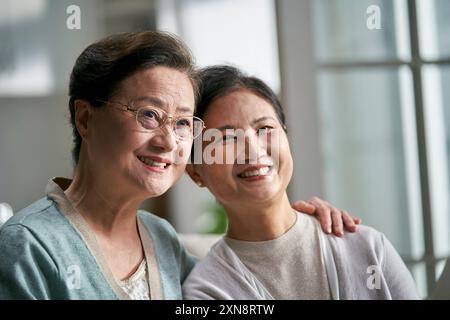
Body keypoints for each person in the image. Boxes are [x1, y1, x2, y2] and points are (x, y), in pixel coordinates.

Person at [0, 31, 357, 300]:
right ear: (85, 118)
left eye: (183, 122)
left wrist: (297, 231)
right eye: (150, 115)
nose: (168, 141)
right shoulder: (27, 247)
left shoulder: (161, 239)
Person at [182, 65, 420, 300]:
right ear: (195, 172)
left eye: (265, 128)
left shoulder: (367, 248)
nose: (253, 150)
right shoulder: (208, 291)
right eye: (227, 138)